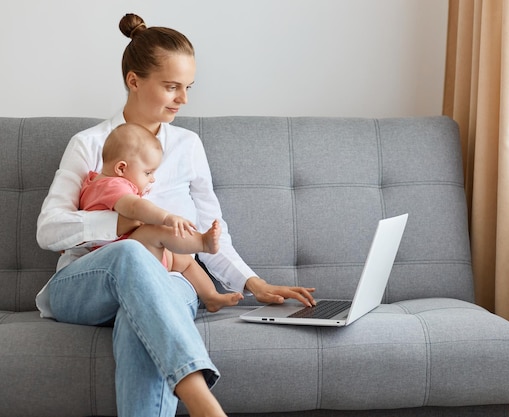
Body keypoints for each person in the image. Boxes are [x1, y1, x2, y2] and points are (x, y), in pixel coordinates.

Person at [36, 13, 316, 417]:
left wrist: (254, 283)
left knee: (144, 314)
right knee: (132, 255)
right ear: (134, 81)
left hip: (169, 283)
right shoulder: (89, 144)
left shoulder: (188, 146)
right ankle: (201, 399)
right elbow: (49, 229)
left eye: (187, 87)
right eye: (171, 87)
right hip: (87, 283)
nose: (183, 99)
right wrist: (126, 224)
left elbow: (211, 234)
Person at [79, 122, 244, 312]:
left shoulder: (92, 182)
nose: (152, 179)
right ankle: (202, 243)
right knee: (157, 230)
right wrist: (166, 217)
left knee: (186, 261)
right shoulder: (111, 185)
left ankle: (210, 297)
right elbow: (134, 207)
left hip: (140, 251)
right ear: (121, 168)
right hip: (125, 255)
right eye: (148, 173)